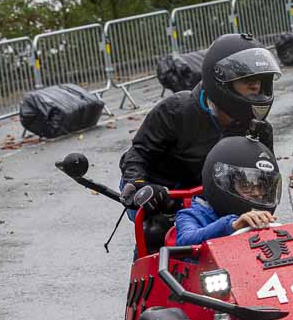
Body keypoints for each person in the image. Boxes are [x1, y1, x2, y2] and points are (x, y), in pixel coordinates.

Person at [118, 33, 282, 213]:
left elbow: (266, 184)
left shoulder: (258, 128)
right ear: (220, 81)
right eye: (247, 80)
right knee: (155, 231)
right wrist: (137, 184)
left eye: (260, 80)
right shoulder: (176, 109)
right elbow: (138, 154)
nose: (256, 87)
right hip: (161, 192)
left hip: (209, 195)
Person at [175, 136, 281, 246]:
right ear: (224, 183)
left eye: (262, 186)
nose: (257, 193)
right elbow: (185, 240)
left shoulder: (262, 220)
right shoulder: (190, 215)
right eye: (246, 185)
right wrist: (232, 225)